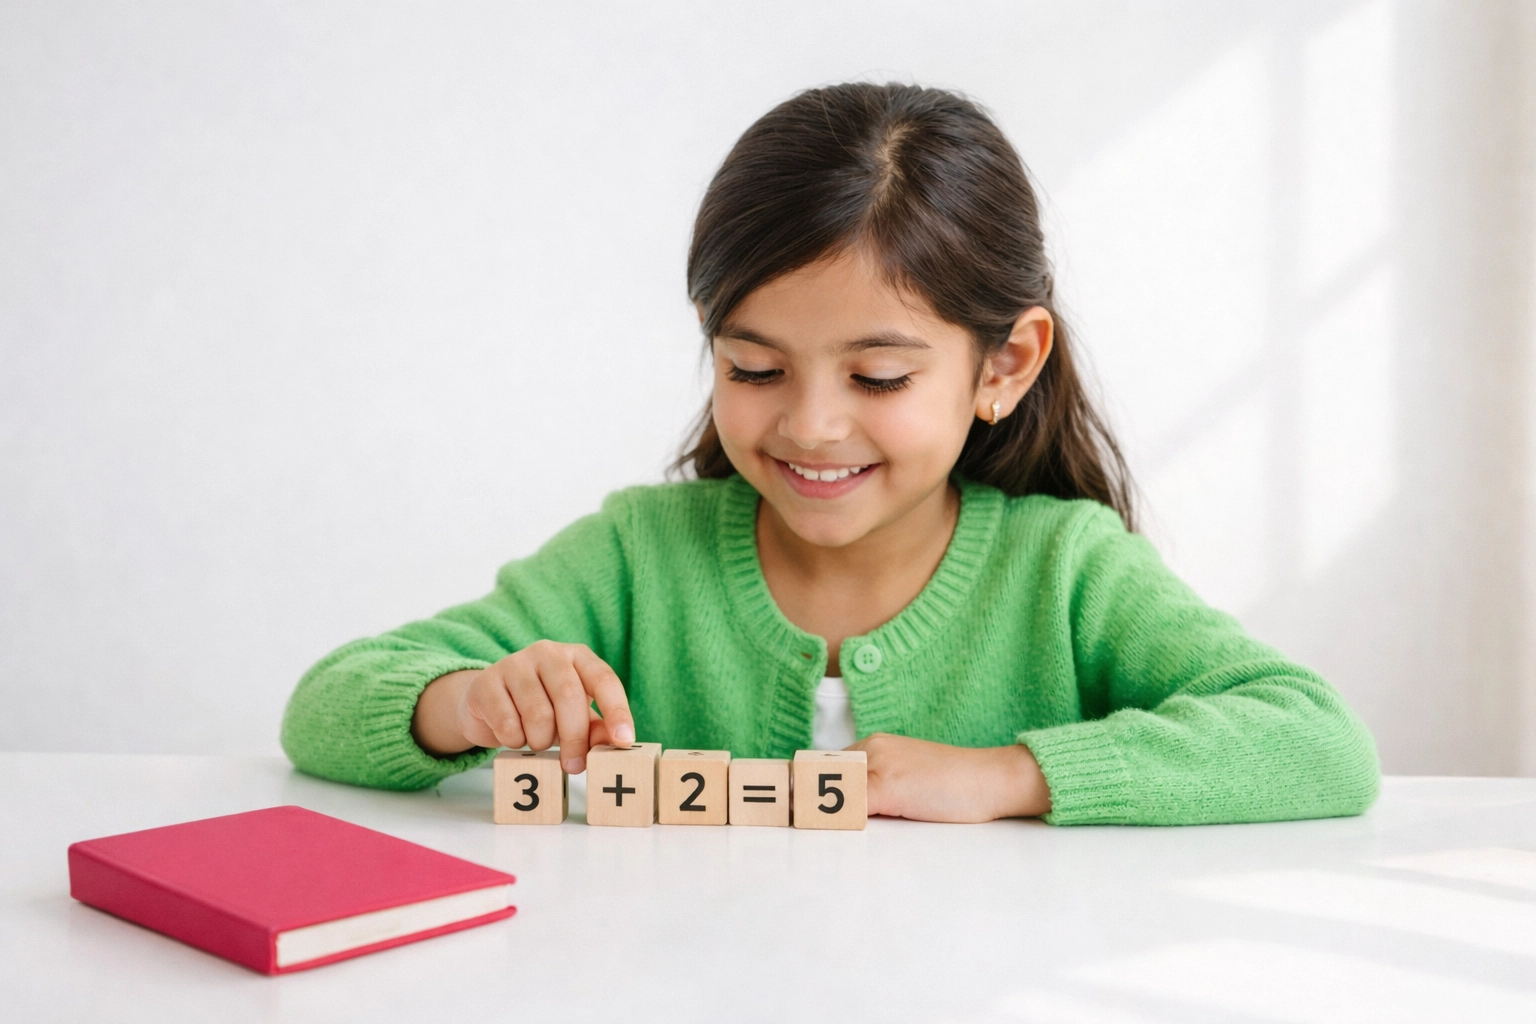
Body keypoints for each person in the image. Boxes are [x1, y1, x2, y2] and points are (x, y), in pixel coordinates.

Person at [281, 83, 1379, 825]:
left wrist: (1010, 777)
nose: (808, 426)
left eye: (879, 377)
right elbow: (327, 703)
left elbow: (1318, 741)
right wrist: (467, 704)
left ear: (1006, 364)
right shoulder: (636, 554)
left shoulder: (1068, 569)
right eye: (754, 369)